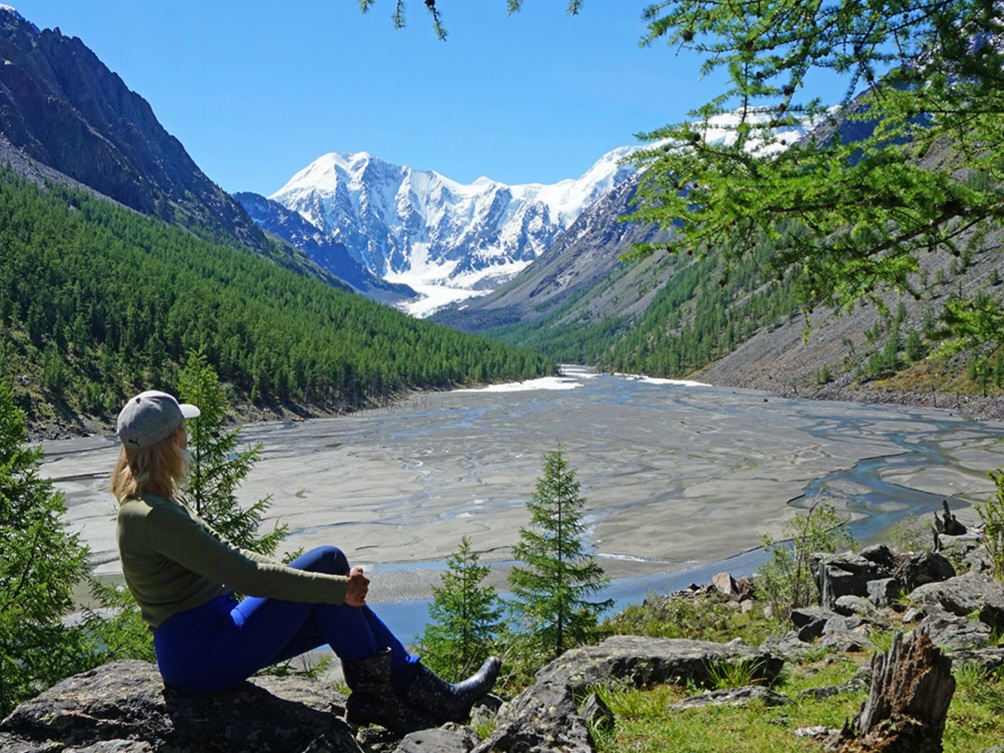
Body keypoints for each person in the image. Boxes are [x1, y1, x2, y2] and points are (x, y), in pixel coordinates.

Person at [111, 389, 500, 734]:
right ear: (173, 440)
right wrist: (337, 587)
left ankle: (407, 698)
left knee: (327, 597)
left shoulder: (151, 503)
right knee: (329, 563)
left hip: (203, 641)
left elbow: (232, 555)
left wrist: (327, 589)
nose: (187, 439)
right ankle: (409, 697)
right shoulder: (154, 516)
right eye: (183, 432)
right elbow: (243, 575)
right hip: (203, 653)